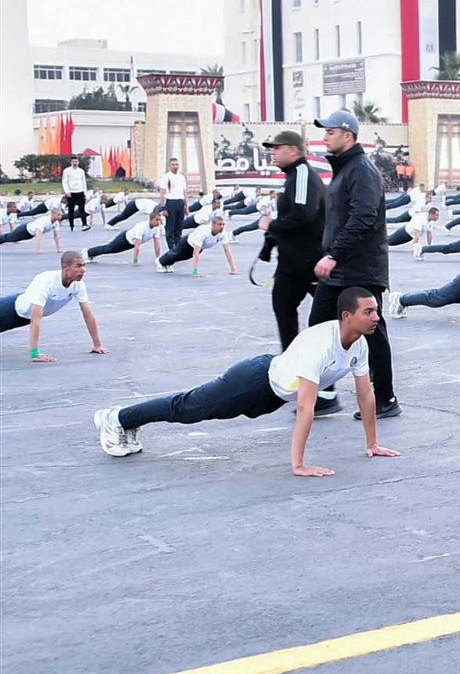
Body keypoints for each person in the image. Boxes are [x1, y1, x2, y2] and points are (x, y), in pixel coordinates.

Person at [93, 288, 400, 474]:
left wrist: (372, 444)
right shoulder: (320, 345)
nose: (376, 317)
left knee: (192, 409)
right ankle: (117, 418)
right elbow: (306, 407)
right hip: (253, 382)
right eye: (368, 312)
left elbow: (366, 396)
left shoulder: (359, 344)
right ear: (347, 316)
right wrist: (298, 465)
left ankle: (127, 420)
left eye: (376, 311)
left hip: (271, 394)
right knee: (188, 408)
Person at [307, 109, 398, 420]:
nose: (325, 137)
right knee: (320, 327)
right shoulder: (344, 170)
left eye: (330, 132)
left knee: (371, 332)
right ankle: (323, 393)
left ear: (348, 135)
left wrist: (333, 255)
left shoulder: (362, 171)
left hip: (361, 268)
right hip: (341, 269)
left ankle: (385, 398)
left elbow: (363, 219)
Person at [258, 131, 326, 353]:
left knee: (325, 319)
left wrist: (271, 226)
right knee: (283, 307)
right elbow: (291, 216)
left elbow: (302, 215)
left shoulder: (303, 174)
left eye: (278, 148)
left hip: (310, 262)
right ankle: (291, 364)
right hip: (291, 263)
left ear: (294, 150)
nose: (273, 153)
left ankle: (329, 370)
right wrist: (269, 243)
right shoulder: (292, 177)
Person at [1, 251, 108, 362]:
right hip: (9, 309)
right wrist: (35, 354)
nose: (83, 270)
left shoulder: (78, 285)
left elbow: (88, 315)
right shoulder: (46, 281)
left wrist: (98, 345)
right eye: (78, 266)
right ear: (65, 267)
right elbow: (36, 319)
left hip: (24, 318)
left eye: (84, 265)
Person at [158, 212, 239, 276]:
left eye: (223, 224)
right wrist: (195, 271)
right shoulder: (204, 232)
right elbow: (196, 253)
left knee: (183, 258)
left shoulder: (223, 234)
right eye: (219, 224)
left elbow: (227, 251)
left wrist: (233, 269)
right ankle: (160, 262)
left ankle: (167, 264)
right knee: (177, 254)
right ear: (213, 225)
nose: (222, 227)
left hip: (200, 247)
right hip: (187, 243)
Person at [86, 209, 165, 265]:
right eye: (157, 220)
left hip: (130, 244)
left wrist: (158, 258)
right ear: (151, 219)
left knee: (110, 250)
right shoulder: (142, 227)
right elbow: (138, 245)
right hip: (123, 239)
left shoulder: (156, 229)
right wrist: (135, 260)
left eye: (160, 220)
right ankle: (88, 252)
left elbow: (157, 244)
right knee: (109, 248)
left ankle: (92, 254)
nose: (159, 222)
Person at [158, 158, 188, 251]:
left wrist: (187, 206)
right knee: (170, 226)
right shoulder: (166, 177)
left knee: (179, 226)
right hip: (171, 202)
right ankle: (171, 247)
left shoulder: (181, 177)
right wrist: (163, 208)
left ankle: (178, 246)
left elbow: (185, 192)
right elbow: (162, 193)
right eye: (173, 165)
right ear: (169, 166)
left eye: (177, 164)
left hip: (180, 202)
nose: (175, 166)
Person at [0, 208, 64, 253]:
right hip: (24, 230)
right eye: (58, 215)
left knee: (10, 238)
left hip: (29, 235)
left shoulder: (56, 223)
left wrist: (59, 249)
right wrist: (39, 249)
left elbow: (56, 236)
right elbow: (39, 236)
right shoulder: (44, 221)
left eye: (61, 215)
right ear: (53, 214)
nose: (61, 217)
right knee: (9, 238)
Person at [61, 157, 88, 230]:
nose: (75, 163)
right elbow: (64, 181)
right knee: (71, 209)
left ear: (78, 162)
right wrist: (67, 191)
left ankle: (84, 224)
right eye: (73, 161)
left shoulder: (81, 171)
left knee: (82, 209)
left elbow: (84, 182)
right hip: (71, 192)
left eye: (76, 161)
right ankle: (71, 225)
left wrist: (85, 193)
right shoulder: (67, 171)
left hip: (80, 191)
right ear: (71, 162)